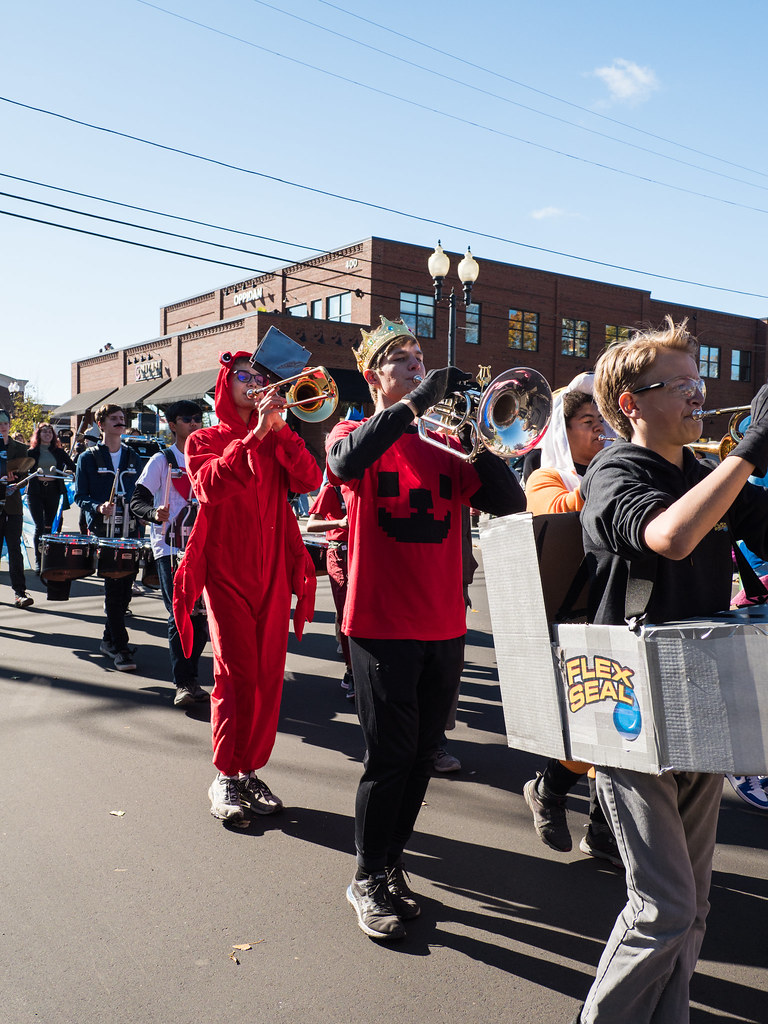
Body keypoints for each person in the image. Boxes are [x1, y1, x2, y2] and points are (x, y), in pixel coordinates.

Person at [571, 317, 768, 1024]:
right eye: (680, 386)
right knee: (663, 907)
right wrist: (748, 450)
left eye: (699, 384)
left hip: (697, 694)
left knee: (697, 905)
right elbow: (672, 537)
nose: (698, 397)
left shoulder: (708, 475)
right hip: (627, 704)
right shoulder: (615, 471)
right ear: (631, 403)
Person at [326, 315, 526, 941]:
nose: (416, 365)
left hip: (444, 624)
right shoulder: (355, 432)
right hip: (380, 624)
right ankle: (365, 876)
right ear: (372, 375)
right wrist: (417, 402)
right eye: (401, 359)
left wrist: (480, 436)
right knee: (387, 760)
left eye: (419, 357)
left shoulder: (449, 444)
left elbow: (509, 501)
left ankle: (390, 865)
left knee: (419, 759)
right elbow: (341, 467)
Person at [172, 351, 321, 823]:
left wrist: (279, 432)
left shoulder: (278, 434)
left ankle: (249, 769)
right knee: (234, 677)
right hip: (227, 575)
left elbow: (310, 479)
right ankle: (225, 776)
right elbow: (208, 489)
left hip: (273, 573)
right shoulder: (204, 438)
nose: (253, 383)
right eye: (243, 376)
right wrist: (255, 436)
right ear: (224, 384)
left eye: (258, 377)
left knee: (268, 679)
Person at [522, 379, 622, 868]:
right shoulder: (547, 478)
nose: (601, 430)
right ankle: (549, 789)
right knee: (591, 724)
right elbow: (564, 516)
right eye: (589, 423)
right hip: (573, 616)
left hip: (621, 607)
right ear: (563, 433)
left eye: (605, 421)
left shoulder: (615, 468)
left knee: (624, 727)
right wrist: (611, 470)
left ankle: (603, 829)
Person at [130, 401, 209, 708]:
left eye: (198, 419)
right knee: (180, 615)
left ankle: (192, 677)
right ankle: (184, 682)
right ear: (172, 424)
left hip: (203, 547)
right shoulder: (162, 460)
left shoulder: (209, 458)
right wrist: (154, 513)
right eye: (187, 419)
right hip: (171, 548)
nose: (194, 423)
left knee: (201, 618)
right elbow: (138, 501)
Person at [74, 403, 143, 672]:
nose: (120, 422)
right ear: (101, 425)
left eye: (122, 419)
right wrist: (98, 507)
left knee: (124, 590)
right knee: (114, 589)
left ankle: (107, 639)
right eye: (114, 419)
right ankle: (122, 649)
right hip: (105, 532)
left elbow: (140, 493)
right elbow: (80, 496)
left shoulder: (133, 457)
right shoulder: (88, 458)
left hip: (131, 530)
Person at [306, 479, 354, 697]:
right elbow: (311, 524)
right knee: (347, 613)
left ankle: (363, 669)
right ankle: (352, 671)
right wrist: (339, 523)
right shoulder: (331, 489)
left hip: (364, 551)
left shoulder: (365, 483)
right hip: (339, 553)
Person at [26, 422, 76, 573]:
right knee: (39, 526)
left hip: (53, 490)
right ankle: (38, 560)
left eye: (50, 432)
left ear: (53, 436)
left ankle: (48, 558)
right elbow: (22, 469)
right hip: (35, 491)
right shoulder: (31, 452)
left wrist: (70, 473)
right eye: (44, 432)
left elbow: (73, 467)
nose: (47, 434)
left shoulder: (59, 452)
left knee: (50, 527)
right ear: (39, 435)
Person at [0, 409, 35, 607]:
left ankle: (20, 593)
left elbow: (24, 477)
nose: (2, 426)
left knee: (15, 550)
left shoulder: (21, 448)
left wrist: (17, 482)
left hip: (13, 506)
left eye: (5, 423)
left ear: (10, 425)